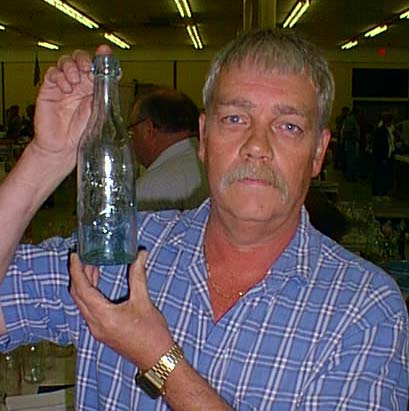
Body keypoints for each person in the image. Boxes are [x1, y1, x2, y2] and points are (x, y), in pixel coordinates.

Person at [0, 30, 408, 411]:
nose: (257, 146)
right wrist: (46, 157)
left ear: (318, 153)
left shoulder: (365, 309)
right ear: (204, 137)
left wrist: (160, 360)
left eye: (288, 126)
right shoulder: (122, 252)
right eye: (235, 119)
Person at [129, 88, 208, 210]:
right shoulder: (212, 168)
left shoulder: (147, 192)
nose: (131, 140)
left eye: (132, 132)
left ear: (147, 130)